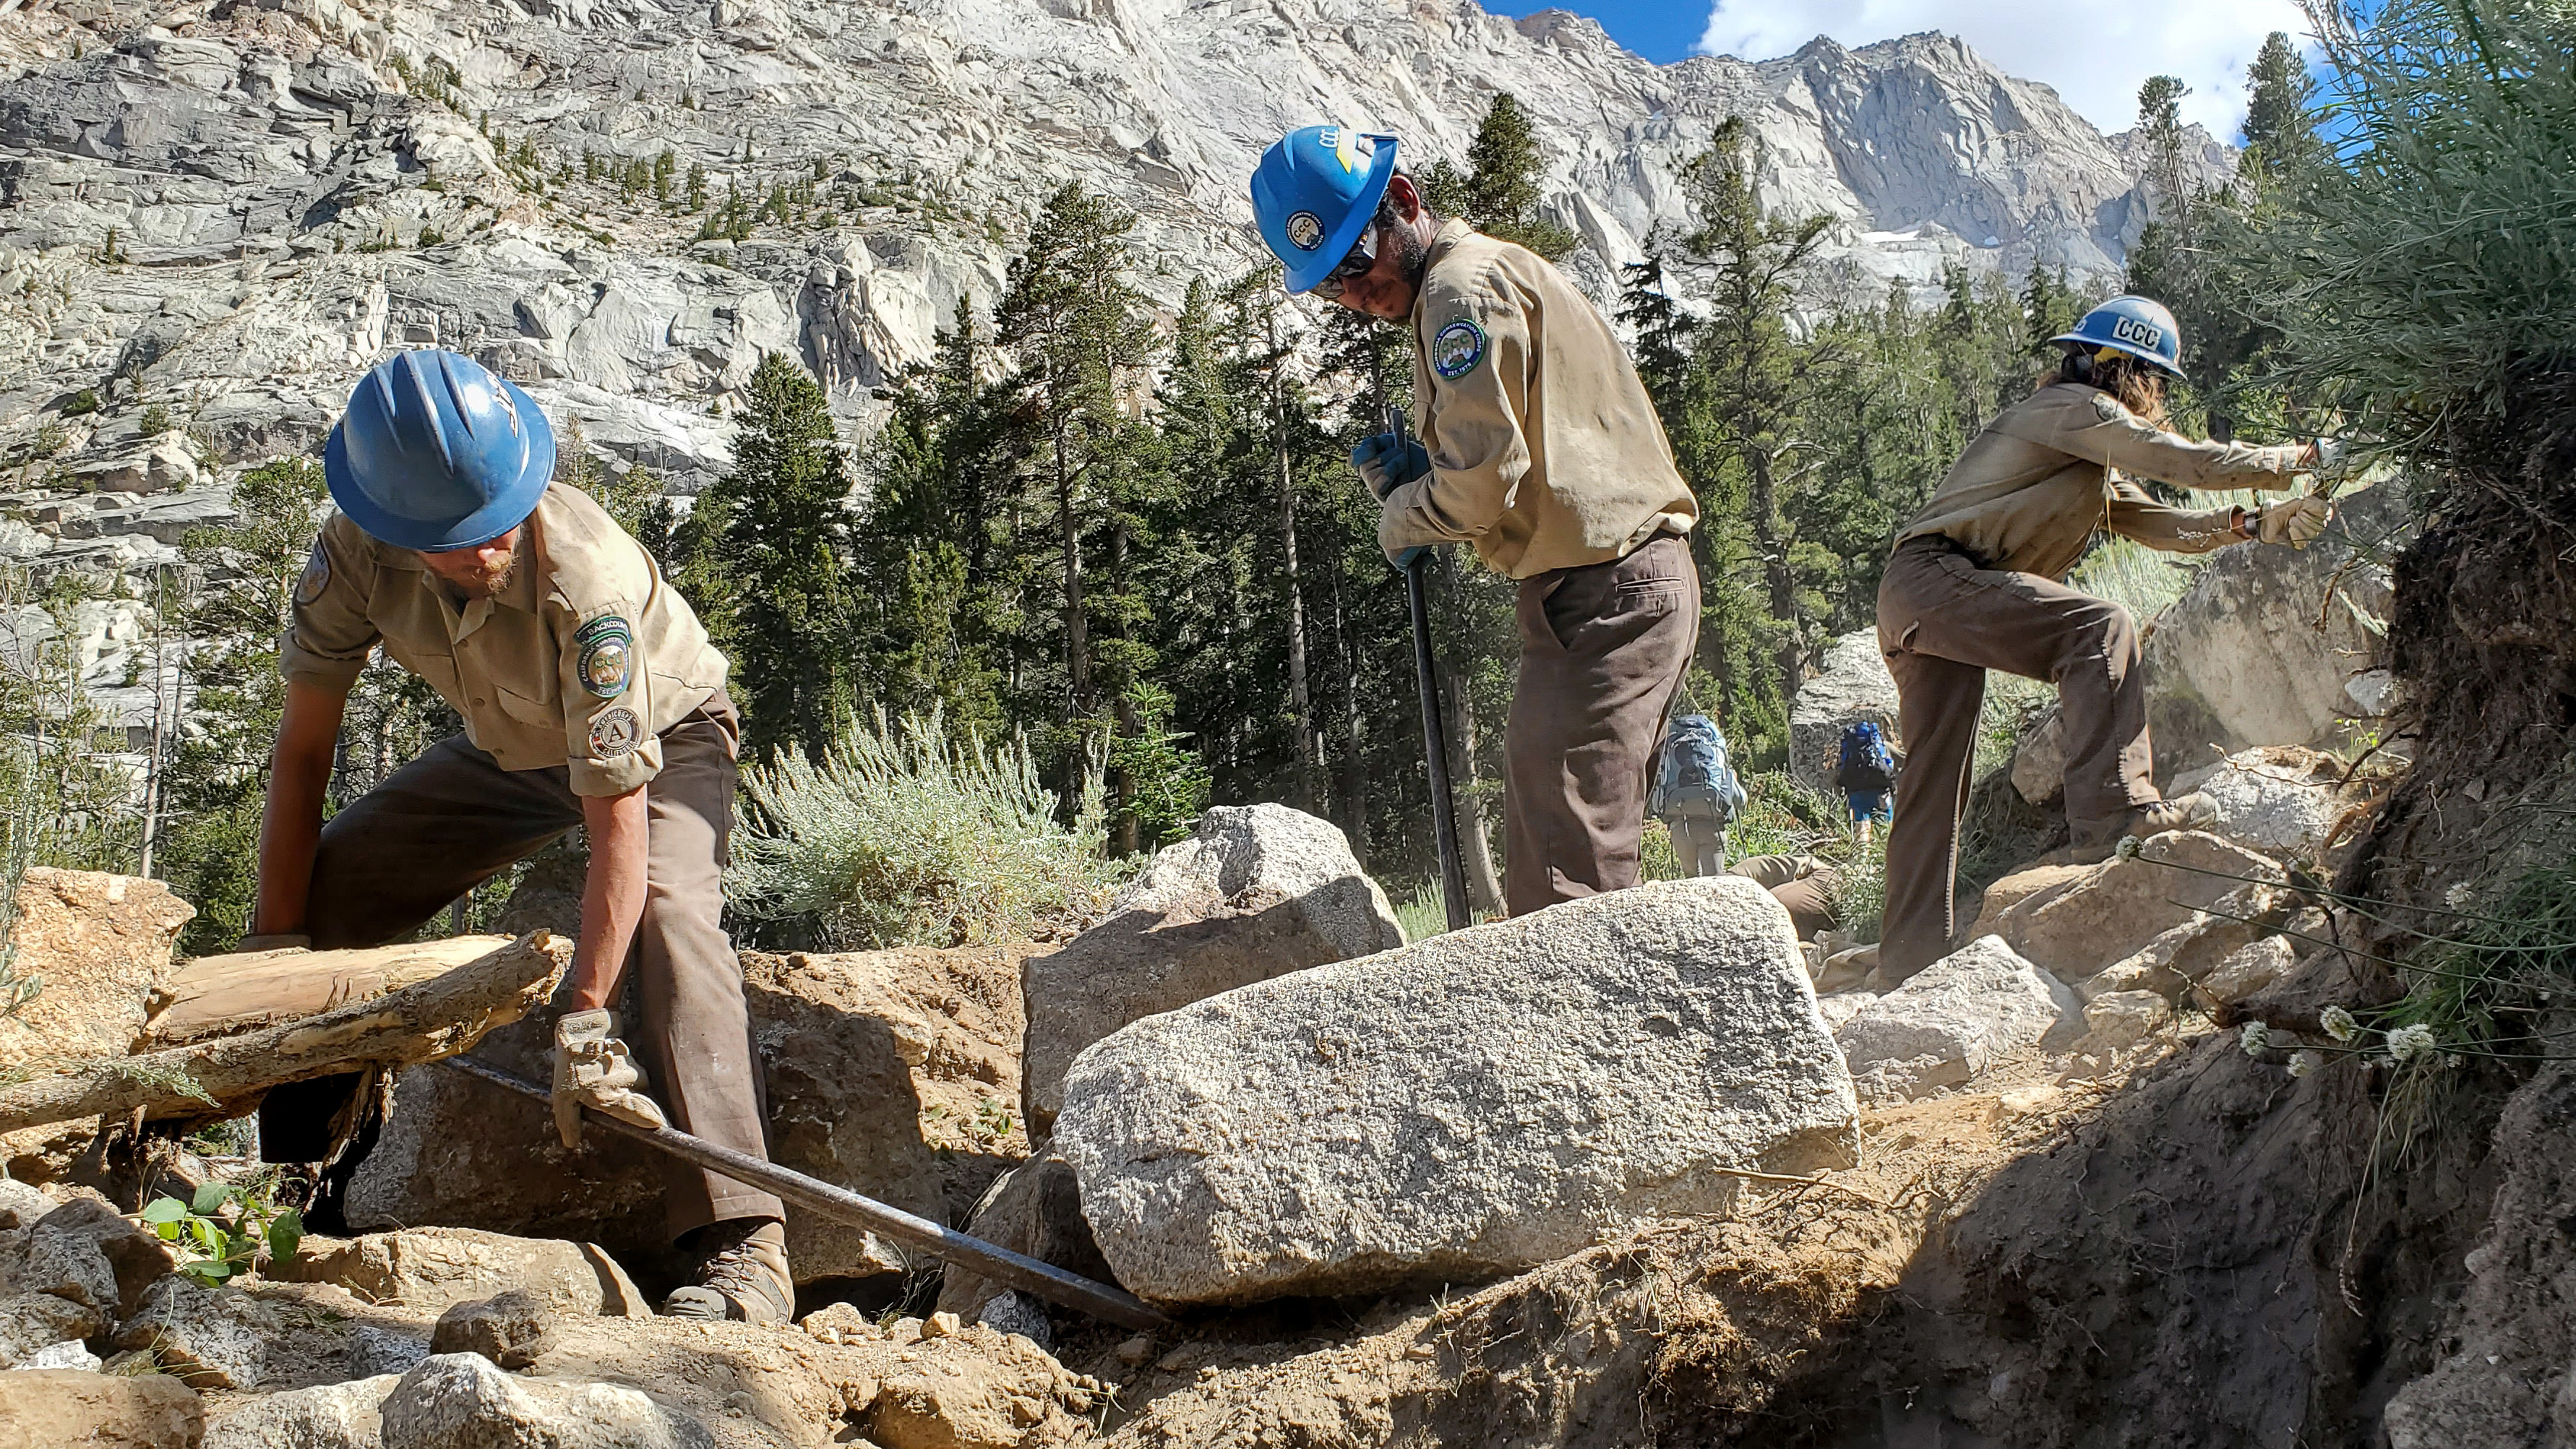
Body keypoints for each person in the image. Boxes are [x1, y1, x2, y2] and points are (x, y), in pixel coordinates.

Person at [244, 349, 794, 1323]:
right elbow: (301, 753)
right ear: (395, 527)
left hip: (666, 738)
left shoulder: (589, 585)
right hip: (510, 749)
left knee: (669, 919)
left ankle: (743, 1245)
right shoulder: (357, 554)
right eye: (459, 540)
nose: (492, 547)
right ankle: (300, 1187)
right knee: (338, 889)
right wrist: (273, 949)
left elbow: (619, 819)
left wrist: (586, 1021)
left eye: (502, 517)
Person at [1250, 124, 1702, 916]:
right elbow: (1525, 447)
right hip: (1606, 591)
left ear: (1403, 202)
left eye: (1357, 258)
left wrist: (1404, 514)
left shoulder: (1458, 292)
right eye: (1328, 284)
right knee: (1559, 842)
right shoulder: (1482, 276)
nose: (1354, 292)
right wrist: (1434, 475)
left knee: (1571, 875)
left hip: (1604, 598)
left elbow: (1487, 485)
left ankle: (1584, 1036)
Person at [1876, 296, 2335, 979]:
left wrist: (2255, 524)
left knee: (1935, 779)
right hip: (1938, 578)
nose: (2155, 397)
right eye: (2153, 380)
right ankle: (2116, 819)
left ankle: (1907, 961)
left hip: (1922, 595)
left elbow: (2162, 526)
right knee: (2099, 628)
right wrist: (2300, 456)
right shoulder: (2075, 410)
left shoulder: (2083, 451)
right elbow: (2180, 460)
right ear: (2122, 369)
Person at [1831, 721, 1902, 847]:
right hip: (1881, 791)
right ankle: (1886, 857)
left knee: (1863, 827)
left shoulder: (1850, 748)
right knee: (1886, 827)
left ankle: (1862, 861)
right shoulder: (1881, 746)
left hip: (1857, 793)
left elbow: (1841, 771)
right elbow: (1893, 765)